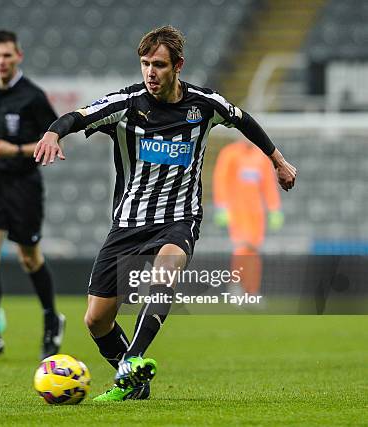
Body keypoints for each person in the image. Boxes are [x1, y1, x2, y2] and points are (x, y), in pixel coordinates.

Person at [34, 25, 297, 401]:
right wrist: (53, 133)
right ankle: (135, 381)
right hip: (128, 222)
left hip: (179, 218)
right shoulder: (126, 104)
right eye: (144, 64)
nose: (150, 73)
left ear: (178, 66)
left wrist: (278, 161)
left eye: (158, 65)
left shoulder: (204, 104)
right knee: (96, 320)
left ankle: (134, 359)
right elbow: (78, 116)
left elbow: (244, 121)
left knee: (165, 273)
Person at [0, 30, 65, 361]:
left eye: (7, 55)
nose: (1, 61)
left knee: (29, 258)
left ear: (18, 56)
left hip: (23, 184)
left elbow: (51, 141)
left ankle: (52, 319)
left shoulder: (33, 97)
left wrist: (15, 150)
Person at [213, 138, 284, 296]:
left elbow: (268, 185)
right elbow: (221, 180)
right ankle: (237, 286)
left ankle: (251, 290)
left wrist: (274, 209)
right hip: (237, 210)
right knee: (242, 248)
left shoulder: (261, 156)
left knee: (254, 250)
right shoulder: (229, 153)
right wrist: (221, 207)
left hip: (256, 213)